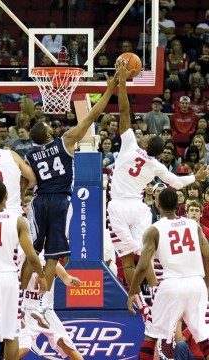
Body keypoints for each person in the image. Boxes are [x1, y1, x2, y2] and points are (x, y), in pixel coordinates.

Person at [107, 59, 209, 320]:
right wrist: (195, 176)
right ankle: (155, 293)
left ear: (142, 140)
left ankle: (141, 304)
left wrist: (121, 83)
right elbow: (176, 182)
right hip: (140, 209)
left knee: (127, 260)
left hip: (118, 206)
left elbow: (124, 112)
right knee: (146, 255)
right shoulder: (154, 166)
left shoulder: (130, 144)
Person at [25, 70, 119, 300]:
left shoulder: (29, 156)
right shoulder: (65, 141)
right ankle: (44, 301)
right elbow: (92, 116)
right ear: (48, 132)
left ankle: (23, 295)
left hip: (38, 202)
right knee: (52, 255)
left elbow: (27, 183)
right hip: (60, 201)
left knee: (32, 251)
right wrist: (109, 89)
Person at [0, 180, 47, 360]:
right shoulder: (18, 221)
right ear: (6, 197)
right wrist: (42, 276)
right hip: (9, 279)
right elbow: (32, 256)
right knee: (11, 335)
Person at [128, 188, 209, 360]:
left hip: (171, 284)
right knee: (203, 337)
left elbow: (142, 266)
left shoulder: (154, 230)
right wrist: (207, 284)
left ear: (158, 204)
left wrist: (133, 291)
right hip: (196, 283)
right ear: (179, 204)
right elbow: (208, 255)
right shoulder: (194, 225)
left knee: (151, 335)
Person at [18, 254, 83, 360]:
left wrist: (72, 280)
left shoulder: (50, 257)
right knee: (23, 349)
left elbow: (66, 278)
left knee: (67, 345)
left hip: (46, 312)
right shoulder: (20, 256)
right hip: (27, 311)